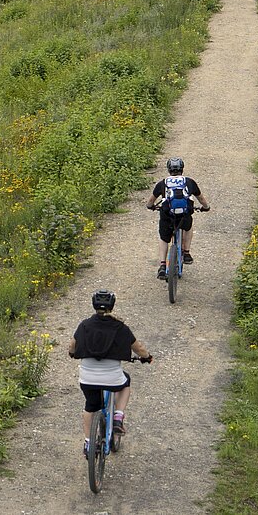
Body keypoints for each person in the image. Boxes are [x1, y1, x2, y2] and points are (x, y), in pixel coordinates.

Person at [69, 290, 151, 455]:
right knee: (125, 382)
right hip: (112, 378)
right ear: (112, 306)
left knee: (90, 407)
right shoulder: (120, 327)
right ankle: (118, 417)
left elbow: (72, 346)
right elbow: (139, 348)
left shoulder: (84, 325)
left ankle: (88, 443)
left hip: (87, 378)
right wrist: (147, 357)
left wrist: (72, 353)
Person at [145, 157, 210, 280]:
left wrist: (151, 207)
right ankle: (186, 253)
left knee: (164, 238)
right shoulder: (189, 182)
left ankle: (163, 266)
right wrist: (206, 207)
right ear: (182, 169)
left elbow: (150, 201)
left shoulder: (162, 183)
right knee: (188, 227)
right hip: (184, 215)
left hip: (167, 215)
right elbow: (201, 199)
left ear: (169, 170)